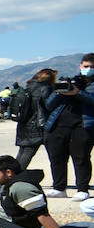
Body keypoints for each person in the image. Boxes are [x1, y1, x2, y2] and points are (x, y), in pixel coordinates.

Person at [41, 54, 94, 201]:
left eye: (92, 67)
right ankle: (59, 188)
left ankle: (82, 189)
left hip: (83, 126)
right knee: (57, 157)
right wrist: (60, 91)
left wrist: (78, 93)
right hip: (58, 125)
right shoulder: (71, 81)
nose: (89, 69)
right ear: (80, 66)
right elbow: (49, 104)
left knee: (81, 157)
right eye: (86, 66)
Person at [10, 72, 51, 170]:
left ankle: (12, 174)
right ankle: (15, 175)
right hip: (35, 124)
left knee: (22, 151)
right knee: (29, 151)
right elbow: (48, 105)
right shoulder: (44, 89)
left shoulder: (28, 87)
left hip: (24, 123)